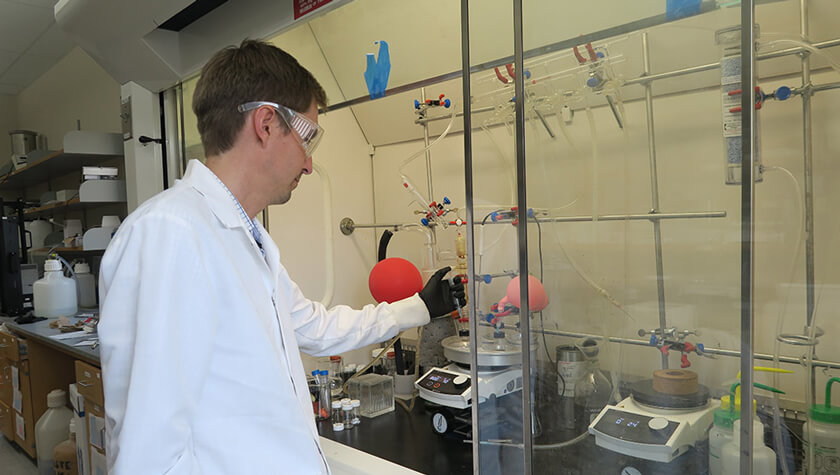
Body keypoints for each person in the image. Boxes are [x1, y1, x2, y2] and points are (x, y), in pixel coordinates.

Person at [97, 39, 465, 474]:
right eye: (307, 137)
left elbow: (315, 327)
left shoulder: (246, 239)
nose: (309, 165)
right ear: (266, 124)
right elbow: (147, 453)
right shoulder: (169, 234)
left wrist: (417, 308)